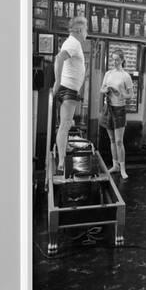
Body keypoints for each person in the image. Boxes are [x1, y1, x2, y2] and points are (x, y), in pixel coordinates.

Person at [52, 16, 88, 173]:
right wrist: (57, 81)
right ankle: (61, 162)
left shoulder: (72, 43)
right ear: (80, 30)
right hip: (68, 89)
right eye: (86, 29)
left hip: (69, 89)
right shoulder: (73, 43)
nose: (86, 32)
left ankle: (65, 146)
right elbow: (59, 58)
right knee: (65, 125)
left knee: (66, 123)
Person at [100, 49, 134, 180]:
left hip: (119, 109)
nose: (114, 62)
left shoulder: (126, 76)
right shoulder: (108, 74)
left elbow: (130, 95)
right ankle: (115, 166)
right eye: (113, 59)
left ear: (122, 60)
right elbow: (101, 89)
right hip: (108, 108)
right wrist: (106, 90)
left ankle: (123, 169)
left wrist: (121, 93)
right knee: (112, 140)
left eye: (117, 59)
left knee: (119, 141)